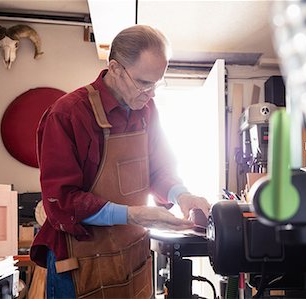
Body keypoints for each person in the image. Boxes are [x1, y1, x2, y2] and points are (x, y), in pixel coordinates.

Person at [30, 25, 211, 298]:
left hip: (132, 255)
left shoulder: (146, 109)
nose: (152, 94)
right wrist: (133, 214)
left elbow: (160, 169)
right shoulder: (67, 115)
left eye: (157, 83)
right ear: (114, 68)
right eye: (144, 83)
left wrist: (181, 194)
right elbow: (61, 202)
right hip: (81, 262)